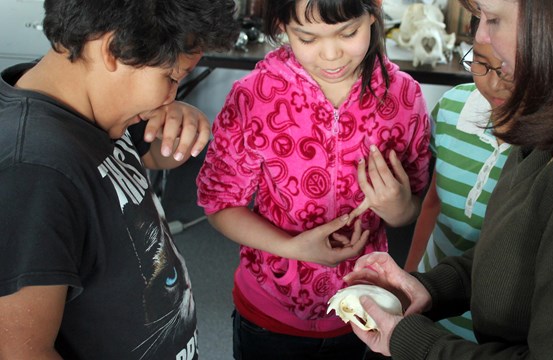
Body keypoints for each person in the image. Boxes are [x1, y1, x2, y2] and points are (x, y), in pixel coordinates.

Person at [344, 0, 553, 358]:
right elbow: (513, 252)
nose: (481, 34)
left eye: (494, 19)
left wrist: (414, 344)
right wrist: (429, 287)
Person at [0, 0, 239, 359]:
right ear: (114, 49)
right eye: (172, 78)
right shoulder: (34, 172)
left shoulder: (86, 101)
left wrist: (179, 119)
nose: (170, 96)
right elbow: (22, 352)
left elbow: (155, 154)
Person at [195, 0, 431, 358]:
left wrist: (399, 209)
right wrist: (293, 248)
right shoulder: (253, 97)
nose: (331, 55)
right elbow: (219, 205)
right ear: (282, 28)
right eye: (307, 37)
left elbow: (413, 206)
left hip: (363, 307)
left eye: (348, 33)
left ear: (373, 14)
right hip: (269, 312)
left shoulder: (403, 97)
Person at [403, 15, 512, 342]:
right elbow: (433, 204)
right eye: (480, 62)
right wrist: (411, 281)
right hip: (429, 307)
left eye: (508, 68)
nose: (494, 83)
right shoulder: (451, 108)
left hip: (496, 333)